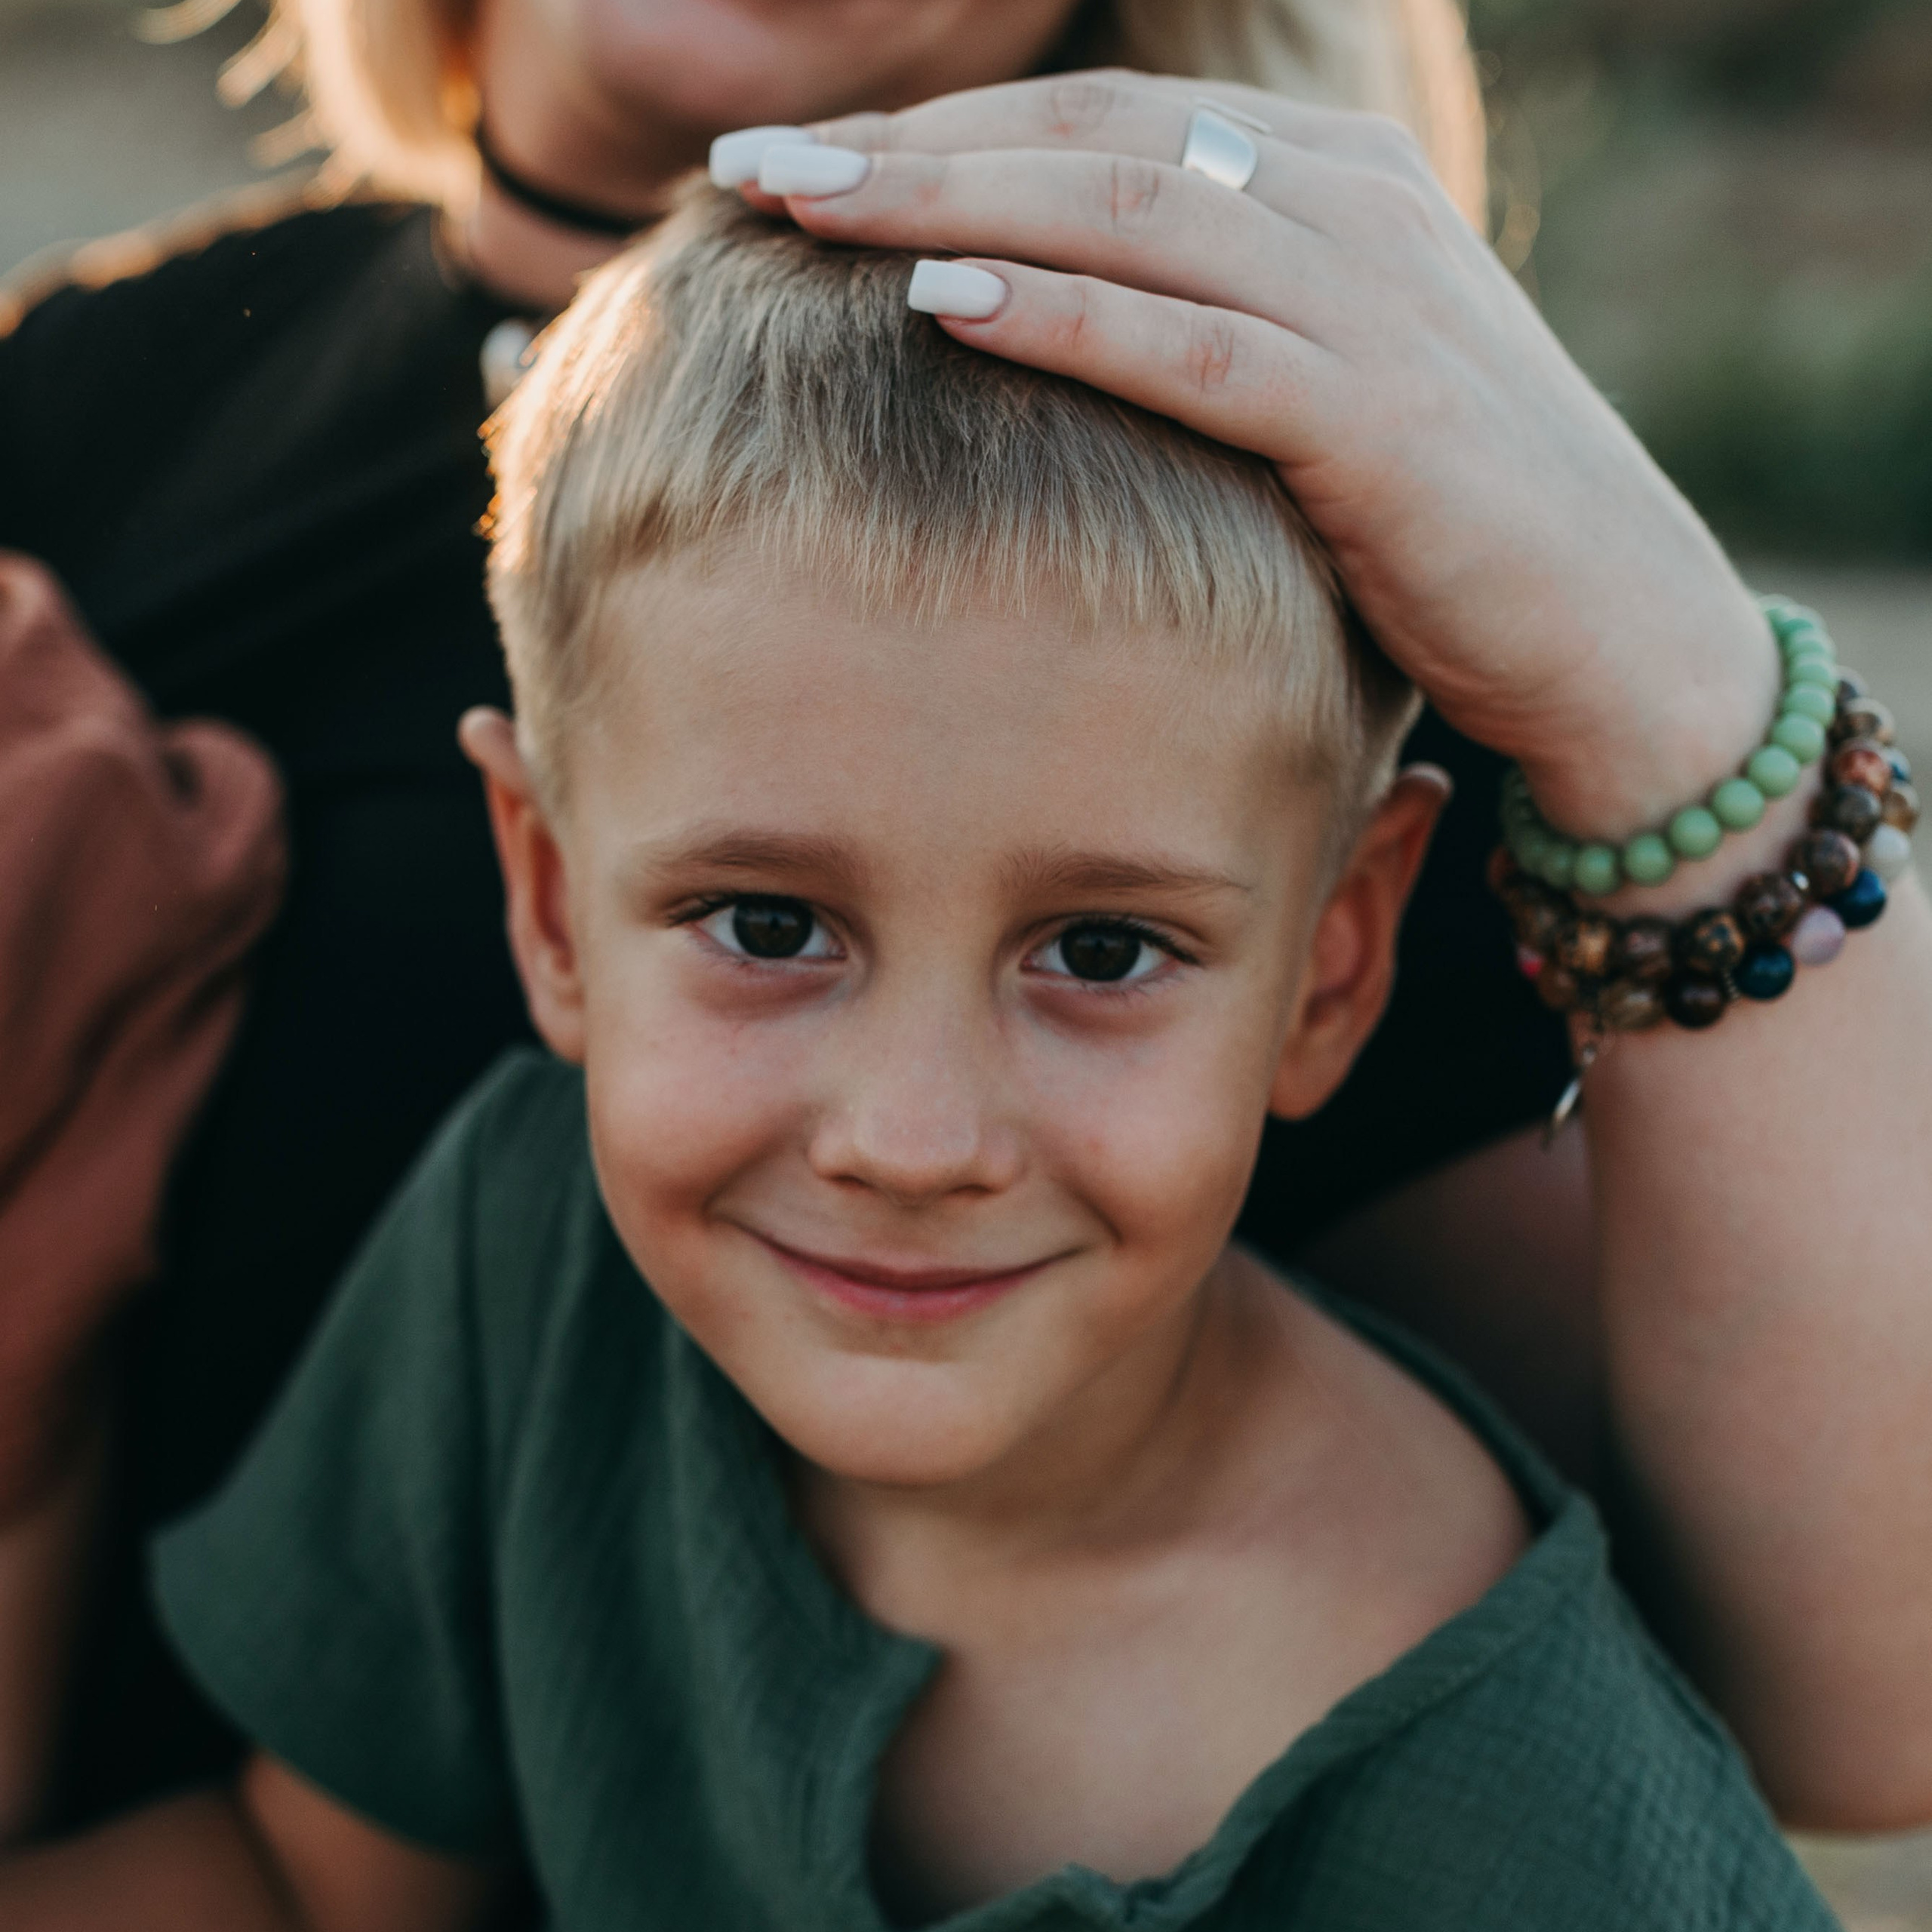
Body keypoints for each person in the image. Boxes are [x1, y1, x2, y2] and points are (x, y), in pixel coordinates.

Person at [0, 0, 1927, 1843]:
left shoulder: (1242, 530)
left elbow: (1868, 1689)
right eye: (763, 920)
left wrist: (1676, 692)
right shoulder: (85, 395)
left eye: (1091, 951)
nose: (906, 1127)